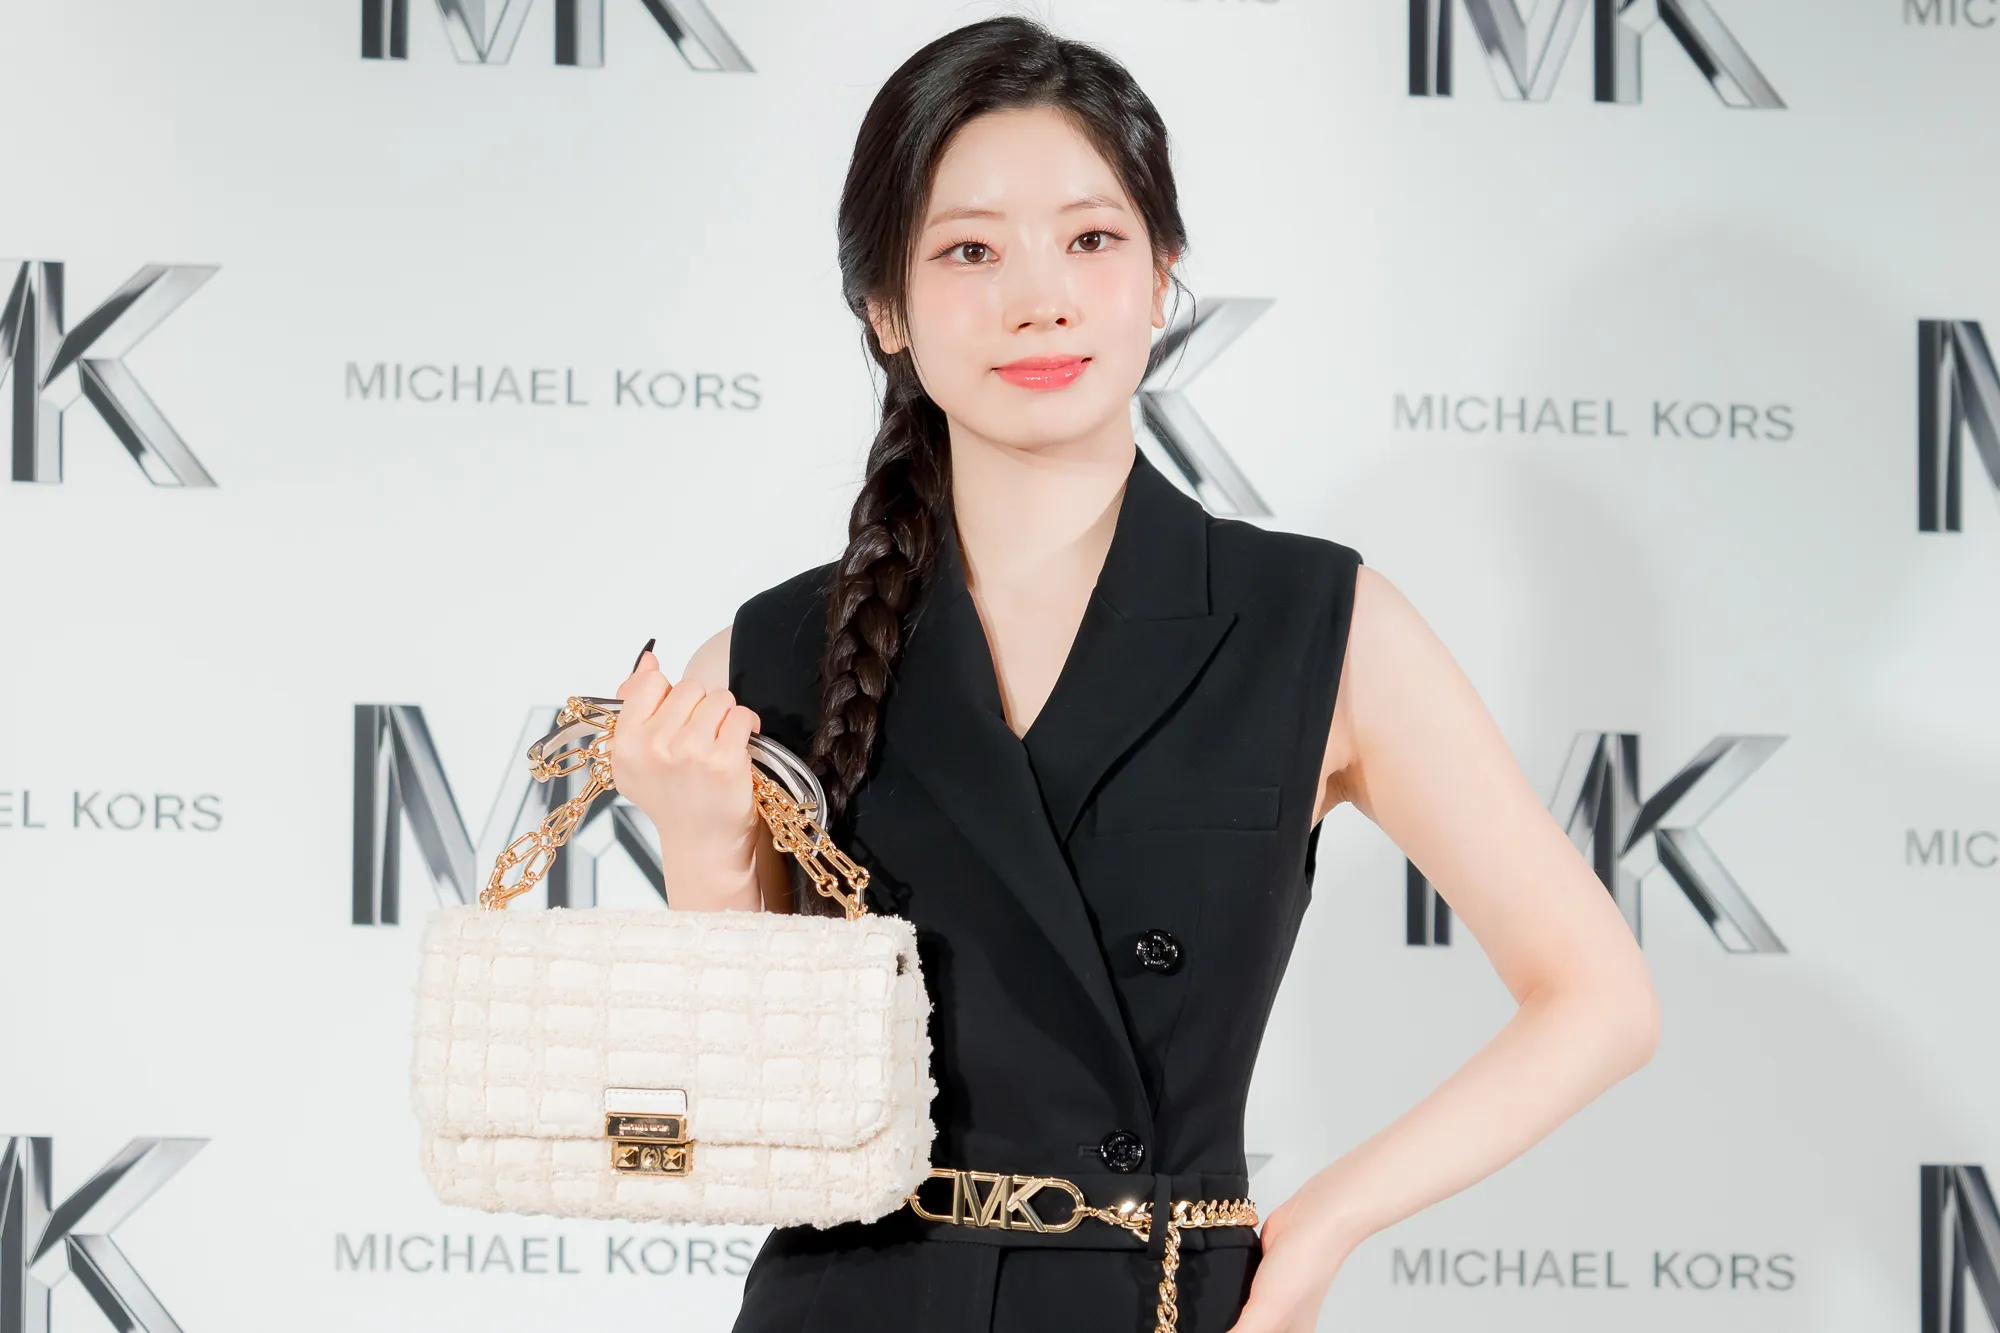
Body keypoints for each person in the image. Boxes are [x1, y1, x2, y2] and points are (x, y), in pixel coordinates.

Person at [607, 15, 1659, 1333]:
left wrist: (1327, 1219)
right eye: (970, 250)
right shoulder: (769, 654)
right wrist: (705, 855)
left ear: (1163, 275)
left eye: (1093, 240)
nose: (1040, 298)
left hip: (1161, 1298)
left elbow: (1599, 999)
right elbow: (733, 1148)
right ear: (885, 309)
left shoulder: (1317, 625)